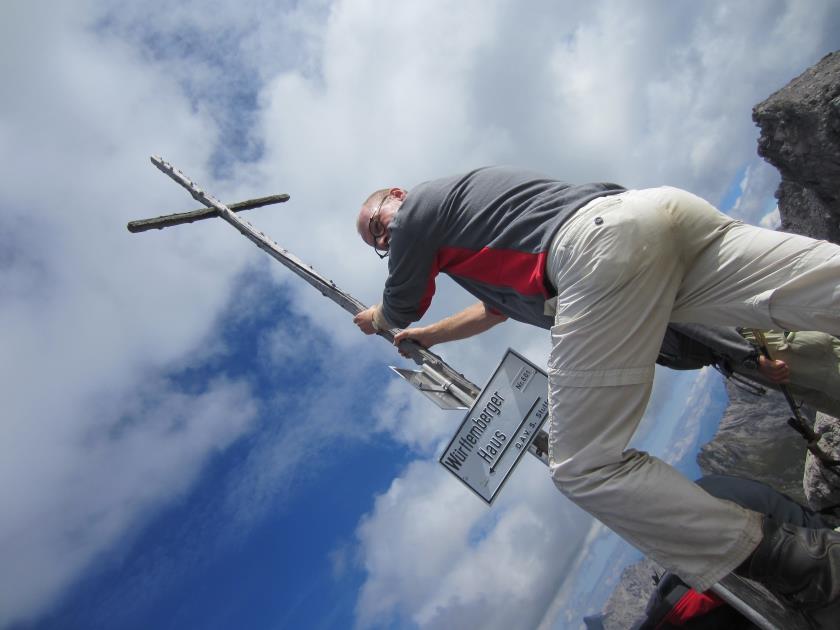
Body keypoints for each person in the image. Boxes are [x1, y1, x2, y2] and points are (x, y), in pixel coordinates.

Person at [351, 166, 840, 615]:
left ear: (396, 194)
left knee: (581, 466)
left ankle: (807, 563)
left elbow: (403, 301)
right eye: (379, 244)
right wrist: (431, 336)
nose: (386, 241)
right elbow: (492, 311)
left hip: (597, 248)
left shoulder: (420, 207)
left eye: (378, 227)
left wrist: (379, 318)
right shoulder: (480, 232)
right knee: (819, 284)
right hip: (655, 214)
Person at [659, 324, 840, 418]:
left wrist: (752, 358)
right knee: (817, 395)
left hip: (748, 341)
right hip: (735, 355)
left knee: (828, 370)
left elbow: (689, 320)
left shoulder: (644, 298)